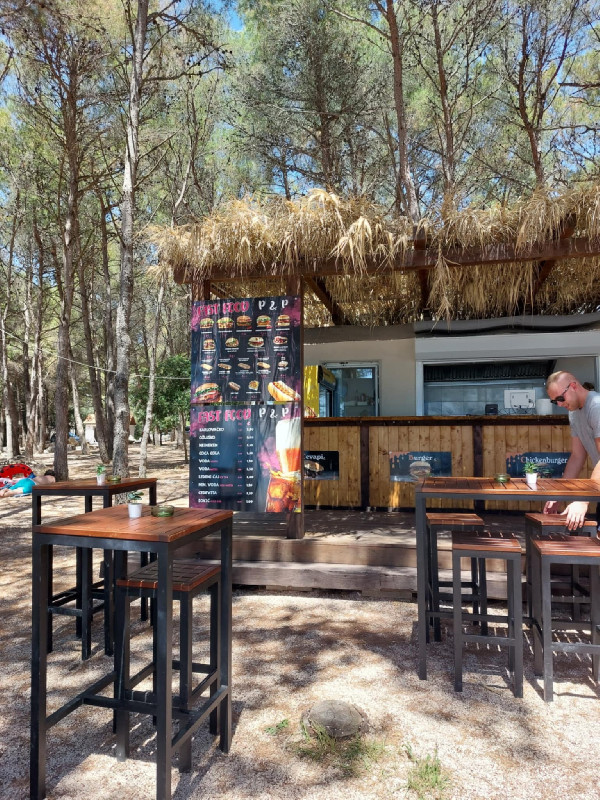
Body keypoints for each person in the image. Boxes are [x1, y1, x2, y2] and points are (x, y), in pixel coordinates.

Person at [544, 371, 600, 529]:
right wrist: (560, 493)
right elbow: (577, 456)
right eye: (555, 401)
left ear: (573, 386)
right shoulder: (574, 413)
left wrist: (584, 499)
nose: (559, 404)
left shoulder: (596, 406)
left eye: (560, 398)